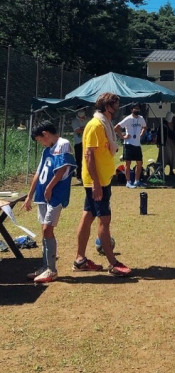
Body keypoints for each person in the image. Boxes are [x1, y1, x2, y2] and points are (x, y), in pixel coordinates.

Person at [74, 92, 131, 276]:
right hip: (96, 182)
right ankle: (113, 263)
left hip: (101, 180)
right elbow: (88, 155)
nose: (118, 107)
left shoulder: (104, 124)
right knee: (104, 220)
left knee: (88, 216)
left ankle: (80, 260)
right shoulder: (96, 125)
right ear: (108, 107)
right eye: (116, 104)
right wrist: (96, 184)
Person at [21, 121, 76, 284]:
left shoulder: (63, 144)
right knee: (44, 231)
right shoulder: (46, 150)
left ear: (45, 134)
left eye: (40, 139)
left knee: (47, 229)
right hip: (43, 196)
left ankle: (52, 270)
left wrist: (50, 188)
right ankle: (45, 266)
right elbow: (38, 173)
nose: (40, 143)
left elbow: (61, 170)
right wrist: (29, 195)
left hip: (56, 195)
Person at [115, 104, 147, 188]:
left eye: (138, 108)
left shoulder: (141, 118)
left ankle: (137, 181)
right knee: (128, 163)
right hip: (128, 144)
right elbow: (116, 128)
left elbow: (144, 127)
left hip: (137, 144)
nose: (136, 110)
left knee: (140, 163)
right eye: (135, 108)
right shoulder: (128, 119)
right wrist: (122, 136)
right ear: (131, 109)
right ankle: (128, 182)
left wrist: (142, 132)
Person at [158, 114, 175, 180]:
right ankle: (161, 171)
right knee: (165, 156)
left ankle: (171, 171)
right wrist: (158, 142)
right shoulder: (163, 125)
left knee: (173, 156)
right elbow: (159, 133)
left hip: (173, 142)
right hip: (165, 142)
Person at [71, 109, 88, 184]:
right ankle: (79, 176)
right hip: (78, 143)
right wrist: (86, 128)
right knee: (79, 160)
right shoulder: (74, 121)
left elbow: (91, 128)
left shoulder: (88, 119)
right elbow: (78, 131)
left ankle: (87, 175)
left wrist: (83, 128)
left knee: (88, 159)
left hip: (88, 143)